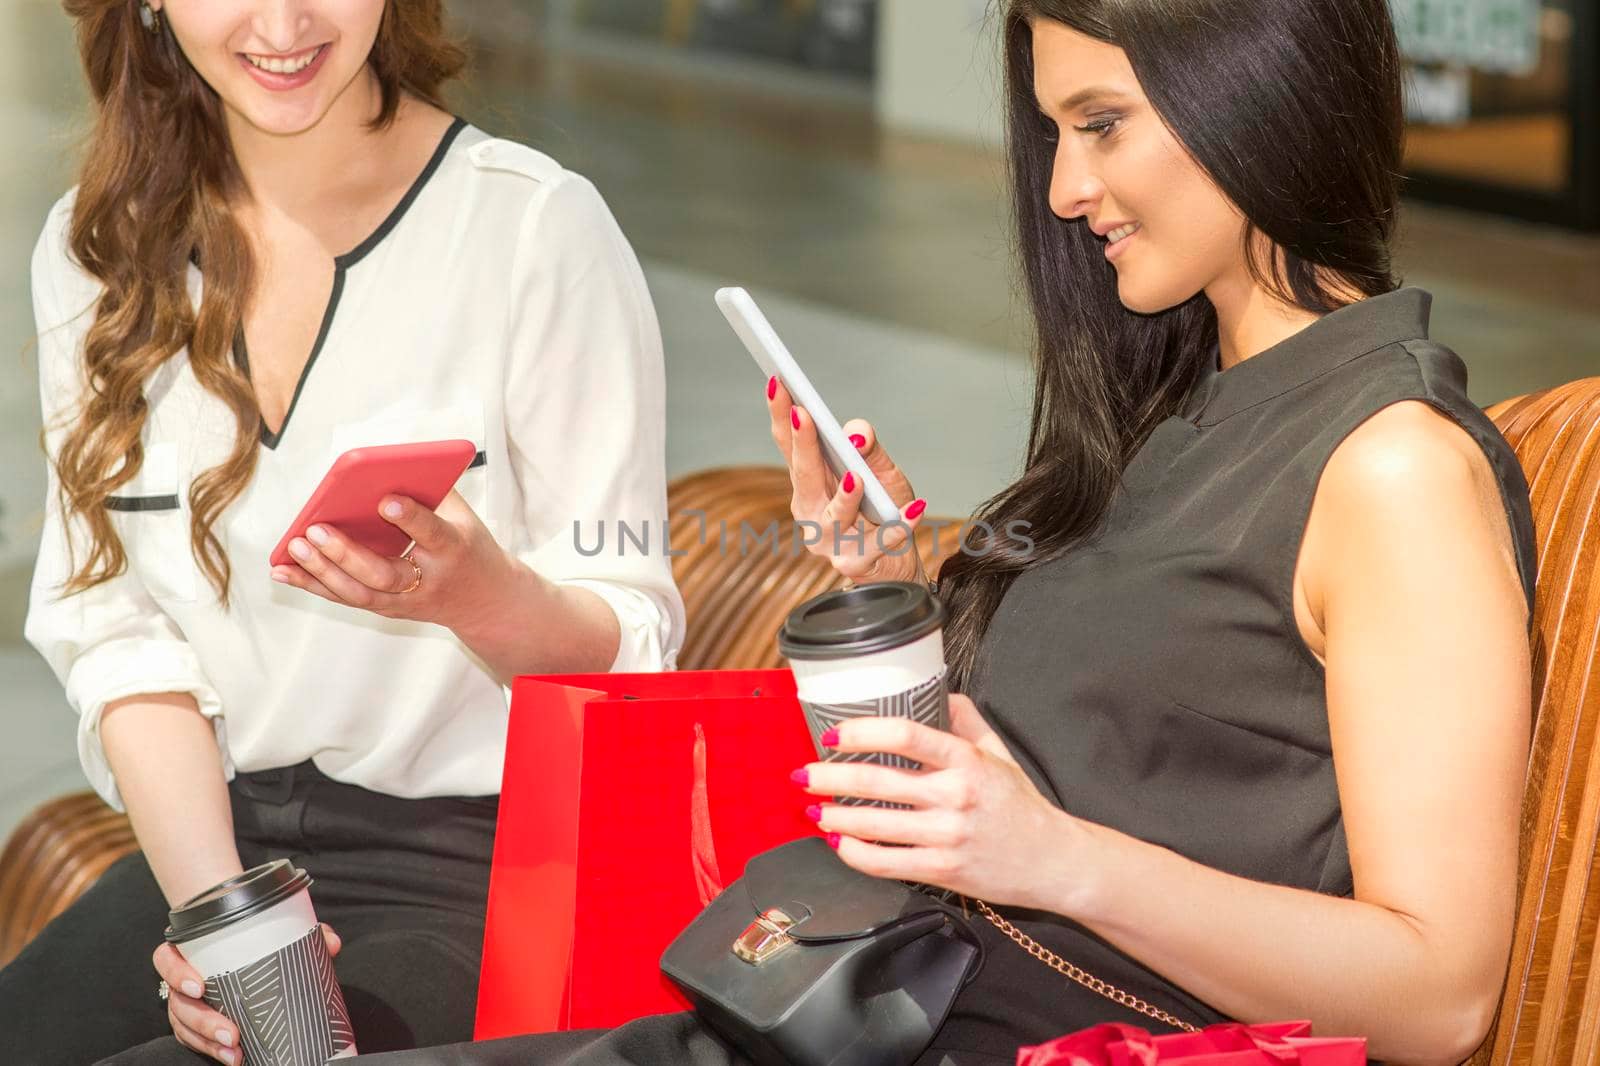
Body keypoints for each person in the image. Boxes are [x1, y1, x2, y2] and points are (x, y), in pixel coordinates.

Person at [348, 1, 1538, 1065]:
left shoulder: (1393, 468)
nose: (1067, 188)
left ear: (1257, 91)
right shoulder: (1186, 403)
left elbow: (1437, 998)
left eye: (1102, 124)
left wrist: (1053, 858)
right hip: (867, 1006)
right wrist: (900, 580)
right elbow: (1133, 732)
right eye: (1057, 133)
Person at [3, 0, 685, 1063]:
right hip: (221, 846)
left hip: (489, 866)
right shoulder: (98, 249)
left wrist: (479, 597)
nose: (283, 22)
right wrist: (224, 925)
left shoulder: (530, 227)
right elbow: (118, 638)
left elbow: (635, 645)